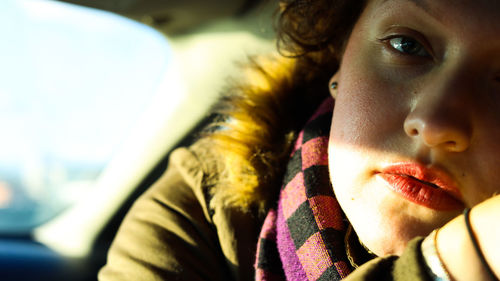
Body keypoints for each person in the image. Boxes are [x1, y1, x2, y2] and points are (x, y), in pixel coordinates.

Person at [98, 0, 500, 280]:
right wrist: (458, 261)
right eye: (406, 44)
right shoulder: (208, 205)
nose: (435, 124)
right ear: (340, 55)